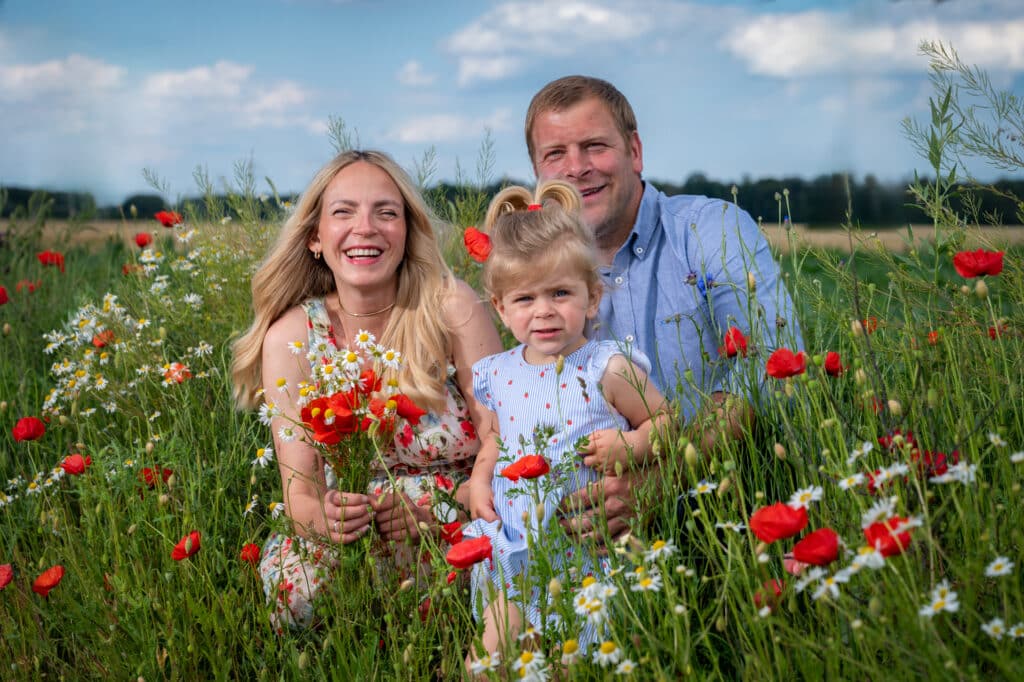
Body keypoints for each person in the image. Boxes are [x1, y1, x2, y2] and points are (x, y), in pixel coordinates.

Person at [230, 149, 502, 631]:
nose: (366, 227)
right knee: (301, 593)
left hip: (462, 515)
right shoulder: (294, 336)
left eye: (386, 212)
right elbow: (302, 499)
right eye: (343, 212)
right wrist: (332, 522)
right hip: (351, 537)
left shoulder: (449, 305)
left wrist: (440, 509)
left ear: (407, 232)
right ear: (315, 237)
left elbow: (503, 433)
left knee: (509, 566)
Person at [525, 76, 803, 540]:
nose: (576, 168)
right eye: (555, 154)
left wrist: (665, 476)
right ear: (537, 171)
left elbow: (766, 366)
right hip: (594, 539)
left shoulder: (710, 228)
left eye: (594, 146)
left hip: (736, 514)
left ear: (634, 151)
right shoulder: (532, 277)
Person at [460, 180, 668, 662]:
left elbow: (664, 423)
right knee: (494, 657)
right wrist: (479, 479)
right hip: (515, 542)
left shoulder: (608, 367)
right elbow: (495, 439)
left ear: (592, 298)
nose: (544, 311)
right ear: (501, 307)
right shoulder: (498, 371)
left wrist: (631, 447)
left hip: (585, 545)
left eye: (560, 293)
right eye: (525, 299)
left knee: (579, 656)